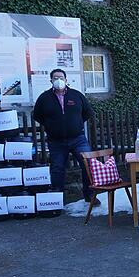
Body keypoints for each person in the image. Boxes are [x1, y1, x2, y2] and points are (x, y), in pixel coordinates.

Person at [32, 69, 98, 205]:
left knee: (88, 164)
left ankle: (90, 194)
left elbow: (87, 112)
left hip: (78, 138)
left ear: (66, 80)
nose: (58, 80)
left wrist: (76, 124)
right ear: (51, 81)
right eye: (55, 78)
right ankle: (58, 198)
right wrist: (51, 126)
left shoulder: (76, 95)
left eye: (61, 77)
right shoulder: (44, 98)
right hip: (56, 141)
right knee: (57, 168)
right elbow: (37, 115)